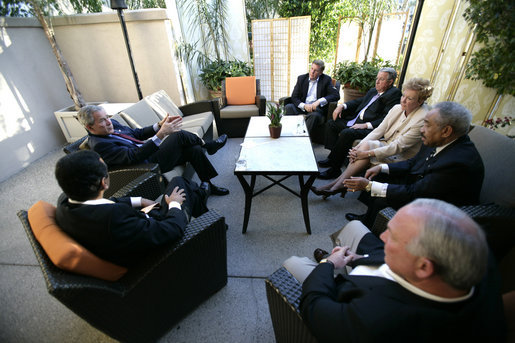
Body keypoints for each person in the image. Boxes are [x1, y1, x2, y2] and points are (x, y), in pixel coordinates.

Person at [283, 198, 506, 342]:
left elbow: (315, 308)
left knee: (293, 264)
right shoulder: (480, 260)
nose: (382, 236)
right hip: (377, 264)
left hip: (339, 296)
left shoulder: (379, 321)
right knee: (354, 227)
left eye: (394, 236)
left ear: (424, 267)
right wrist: (359, 259)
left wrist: (329, 264)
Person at [54, 150, 210, 267]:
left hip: (134, 231)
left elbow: (109, 201)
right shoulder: (114, 218)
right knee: (180, 184)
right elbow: (171, 230)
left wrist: (140, 200)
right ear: (104, 183)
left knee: (183, 187)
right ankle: (208, 219)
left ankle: (200, 198)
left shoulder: (65, 202)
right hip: (154, 245)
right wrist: (174, 204)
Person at [343, 101, 484, 227]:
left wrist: (368, 186)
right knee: (379, 176)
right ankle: (369, 221)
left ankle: (373, 235)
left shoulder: (458, 163)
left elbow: (416, 193)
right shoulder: (438, 138)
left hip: (440, 213)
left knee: (382, 196)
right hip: (423, 184)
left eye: (427, 125)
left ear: (446, 131)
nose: (422, 129)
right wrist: (382, 167)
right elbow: (414, 162)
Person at [312, 78, 433, 198]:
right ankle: (337, 185)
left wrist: (366, 154)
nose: (403, 101)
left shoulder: (423, 118)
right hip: (386, 145)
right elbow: (379, 130)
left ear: (420, 101)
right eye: (403, 96)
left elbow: (398, 147)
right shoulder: (397, 108)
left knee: (366, 151)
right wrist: (358, 149)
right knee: (364, 146)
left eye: (409, 98)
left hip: (402, 155)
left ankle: (335, 185)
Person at [77, 104, 229, 195]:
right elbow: (133, 156)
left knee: (194, 149)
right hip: (147, 165)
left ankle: (209, 184)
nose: (109, 122)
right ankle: (209, 146)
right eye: (102, 121)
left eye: (107, 117)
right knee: (179, 136)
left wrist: (159, 124)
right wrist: (161, 133)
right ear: (90, 127)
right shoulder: (99, 145)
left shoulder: (113, 124)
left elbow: (136, 133)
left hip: (150, 152)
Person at [318, 68, 402, 179]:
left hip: (370, 127)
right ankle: (334, 157)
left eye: (381, 79)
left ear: (390, 82)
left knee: (347, 133)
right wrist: (342, 106)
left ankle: (335, 169)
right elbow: (358, 102)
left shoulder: (394, 94)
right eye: (377, 78)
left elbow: (386, 118)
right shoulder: (373, 91)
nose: (377, 81)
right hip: (355, 121)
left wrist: (365, 125)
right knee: (331, 124)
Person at [284, 59, 340, 135]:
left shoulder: (326, 80)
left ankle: (303, 138)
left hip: (315, 110)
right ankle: (289, 134)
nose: (312, 72)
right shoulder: (301, 78)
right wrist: (304, 106)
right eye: (312, 69)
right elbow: (294, 97)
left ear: (320, 72)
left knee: (315, 116)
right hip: (302, 107)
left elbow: (336, 95)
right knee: (288, 107)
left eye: (316, 70)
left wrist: (319, 101)